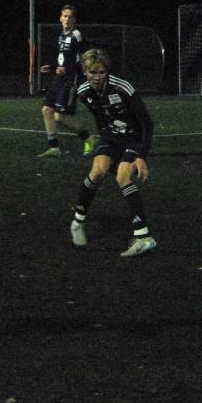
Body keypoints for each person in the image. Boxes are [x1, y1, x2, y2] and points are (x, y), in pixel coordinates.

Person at [69, 48, 157, 257]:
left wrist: (141, 156)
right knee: (97, 172)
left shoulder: (122, 87)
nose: (97, 77)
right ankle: (77, 223)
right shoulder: (84, 92)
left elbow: (147, 124)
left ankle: (143, 237)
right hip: (110, 137)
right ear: (85, 72)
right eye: (93, 72)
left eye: (102, 72)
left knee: (122, 176)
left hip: (133, 137)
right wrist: (107, 145)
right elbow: (100, 118)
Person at [38, 4, 96, 157]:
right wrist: (52, 66)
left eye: (70, 16)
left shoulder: (76, 35)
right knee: (47, 110)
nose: (67, 19)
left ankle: (89, 138)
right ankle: (54, 148)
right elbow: (63, 57)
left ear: (74, 20)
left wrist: (68, 69)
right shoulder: (62, 35)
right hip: (60, 77)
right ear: (60, 18)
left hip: (71, 79)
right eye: (65, 16)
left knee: (60, 116)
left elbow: (85, 59)